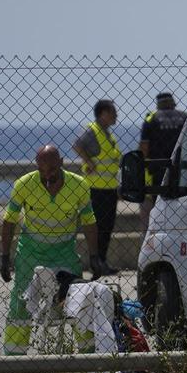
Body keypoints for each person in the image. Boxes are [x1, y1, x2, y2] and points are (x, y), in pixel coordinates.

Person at [0, 145, 101, 356]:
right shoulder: (24, 185)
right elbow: (9, 221)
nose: (47, 176)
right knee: (20, 304)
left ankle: (90, 364)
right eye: (42, 171)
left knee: (79, 302)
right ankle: (14, 364)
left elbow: (89, 221)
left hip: (65, 252)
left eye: (52, 170)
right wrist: (4, 257)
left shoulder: (79, 185)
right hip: (30, 253)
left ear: (61, 163)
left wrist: (94, 257)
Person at [73, 99, 120, 272]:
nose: (116, 116)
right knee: (99, 226)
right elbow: (77, 145)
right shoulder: (92, 131)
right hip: (96, 189)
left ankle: (102, 261)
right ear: (104, 113)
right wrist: (88, 161)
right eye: (113, 112)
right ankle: (97, 262)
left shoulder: (107, 134)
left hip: (109, 188)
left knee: (107, 227)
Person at [136, 92, 187, 233]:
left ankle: (158, 238)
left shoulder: (151, 119)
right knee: (180, 209)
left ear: (158, 105)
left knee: (158, 209)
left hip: (157, 171)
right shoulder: (184, 117)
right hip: (182, 171)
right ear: (173, 103)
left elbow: (144, 150)